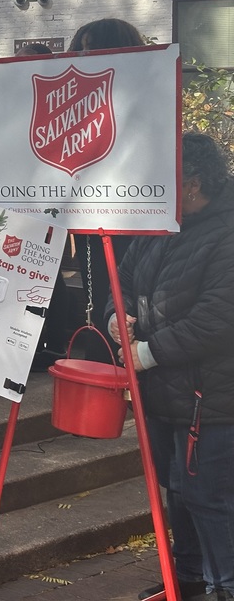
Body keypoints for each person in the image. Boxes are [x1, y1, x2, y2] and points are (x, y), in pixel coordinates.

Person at [106, 133, 234, 601]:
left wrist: (147, 351)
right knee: (177, 493)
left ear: (194, 184)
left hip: (213, 397)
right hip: (164, 391)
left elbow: (219, 316)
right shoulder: (162, 221)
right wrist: (115, 318)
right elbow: (121, 277)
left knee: (210, 500)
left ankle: (225, 587)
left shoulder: (227, 231)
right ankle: (189, 578)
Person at [69, 18, 144, 360]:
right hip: (90, 221)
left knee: (129, 299)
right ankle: (105, 364)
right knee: (97, 293)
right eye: (81, 49)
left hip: (134, 219)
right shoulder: (76, 104)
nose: (86, 57)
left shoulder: (143, 99)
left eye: (93, 49)